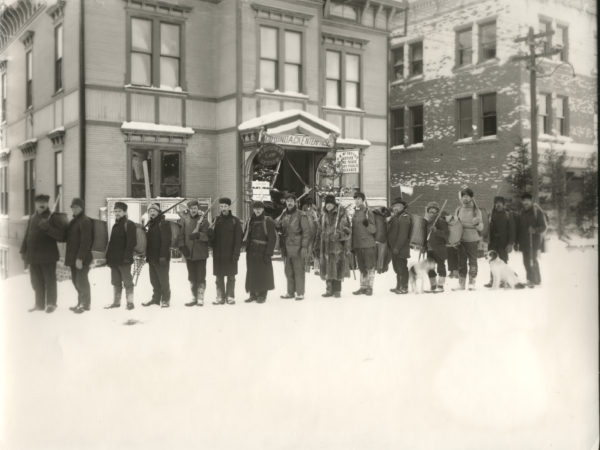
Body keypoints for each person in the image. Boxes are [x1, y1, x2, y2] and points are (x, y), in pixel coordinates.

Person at [20, 194, 61, 313]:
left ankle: (51, 304)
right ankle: (39, 304)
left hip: (48, 256)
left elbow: (60, 236)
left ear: (47, 204)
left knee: (49, 280)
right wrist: (23, 250)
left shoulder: (53, 217)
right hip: (33, 255)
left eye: (44, 202)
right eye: (39, 203)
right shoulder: (33, 217)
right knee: (36, 282)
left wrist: (48, 228)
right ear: (35, 204)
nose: (41, 205)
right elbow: (27, 235)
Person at [276, 193, 311, 301]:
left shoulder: (301, 214)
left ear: (295, 202)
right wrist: (277, 225)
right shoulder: (284, 214)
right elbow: (279, 226)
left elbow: (306, 232)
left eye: (291, 201)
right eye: (287, 201)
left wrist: (304, 247)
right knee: (288, 270)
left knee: (298, 270)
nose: (289, 203)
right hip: (286, 246)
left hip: (297, 246)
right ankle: (290, 292)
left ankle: (300, 293)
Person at [210, 197, 243, 305]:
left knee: (231, 276)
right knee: (219, 277)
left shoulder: (235, 221)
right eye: (221, 206)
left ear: (229, 207)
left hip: (230, 253)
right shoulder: (216, 220)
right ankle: (220, 297)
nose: (223, 208)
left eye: (225, 206)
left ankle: (230, 296)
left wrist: (236, 254)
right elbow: (211, 238)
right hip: (218, 254)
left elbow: (238, 239)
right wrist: (210, 232)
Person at [318, 195, 351, 298]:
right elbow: (319, 229)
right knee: (327, 268)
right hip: (325, 246)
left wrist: (339, 235)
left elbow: (348, 231)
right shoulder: (323, 215)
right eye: (326, 203)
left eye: (330, 203)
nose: (328, 205)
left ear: (334, 204)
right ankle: (329, 290)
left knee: (337, 267)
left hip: (337, 247)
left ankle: (337, 290)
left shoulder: (341, 214)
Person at [178, 200, 210, 306]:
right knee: (191, 277)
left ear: (198, 209)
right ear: (189, 209)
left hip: (200, 254)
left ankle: (200, 298)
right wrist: (182, 247)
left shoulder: (204, 221)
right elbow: (181, 235)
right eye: (191, 209)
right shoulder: (185, 221)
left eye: (195, 208)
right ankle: (194, 297)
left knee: (201, 277)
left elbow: (208, 237)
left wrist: (198, 235)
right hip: (189, 254)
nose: (193, 210)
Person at [105, 202, 136, 310]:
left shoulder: (129, 224)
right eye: (116, 211)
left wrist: (127, 257)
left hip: (124, 260)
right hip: (114, 260)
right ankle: (116, 302)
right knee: (116, 281)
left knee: (127, 282)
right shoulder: (115, 225)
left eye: (119, 211)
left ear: (125, 212)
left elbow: (131, 242)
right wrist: (108, 257)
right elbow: (112, 243)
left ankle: (130, 302)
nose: (117, 213)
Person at [244, 201, 277, 303]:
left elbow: (273, 238)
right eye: (255, 208)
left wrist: (269, 253)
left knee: (263, 273)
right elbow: (246, 234)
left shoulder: (268, 221)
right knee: (252, 272)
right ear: (253, 209)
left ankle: (262, 295)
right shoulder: (250, 220)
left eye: (259, 208)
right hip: (252, 251)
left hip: (263, 251)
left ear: (263, 209)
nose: (257, 210)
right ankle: (252, 294)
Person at [65, 198, 93, 313]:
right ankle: (80, 302)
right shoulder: (74, 221)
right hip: (73, 258)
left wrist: (80, 258)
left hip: (82, 258)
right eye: (73, 207)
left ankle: (85, 304)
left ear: (81, 208)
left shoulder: (85, 221)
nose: (74, 209)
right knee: (75, 281)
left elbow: (86, 241)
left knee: (81, 280)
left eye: (76, 207)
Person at [142, 203, 172, 308]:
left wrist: (163, 256)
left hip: (161, 258)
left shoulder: (163, 223)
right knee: (154, 280)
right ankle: (156, 299)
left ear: (158, 212)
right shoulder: (151, 224)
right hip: (152, 258)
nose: (152, 213)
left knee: (163, 280)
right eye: (150, 211)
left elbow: (166, 241)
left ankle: (165, 300)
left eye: (154, 211)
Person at [454, 188, 483, 290]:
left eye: (467, 196)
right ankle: (461, 284)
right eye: (463, 196)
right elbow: (455, 225)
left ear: (471, 197)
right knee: (461, 262)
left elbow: (481, 228)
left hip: (472, 240)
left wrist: (477, 223)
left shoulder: (476, 210)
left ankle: (471, 283)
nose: (465, 198)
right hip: (460, 240)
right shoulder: (458, 210)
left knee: (473, 262)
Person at [515, 193, 547, 287]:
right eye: (524, 200)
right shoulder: (521, 213)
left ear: (531, 201)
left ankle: (535, 279)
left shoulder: (537, 212)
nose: (526, 202)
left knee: (532, 260)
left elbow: (543, 227)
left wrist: (534, 230)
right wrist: (517, 242)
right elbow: (519, 228)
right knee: (526, 261)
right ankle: (530, 279)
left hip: (533, 241)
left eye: (527, 200)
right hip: (524, 242)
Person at [485, 196, 516, 288]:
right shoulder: (491, 215)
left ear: (503, 204)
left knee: (503, 261)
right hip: (493, 243)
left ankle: (503, 281)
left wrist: (510, 243)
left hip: (503, 243)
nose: (498, 204)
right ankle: (492, 280)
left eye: (500, 203)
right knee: (492, 262)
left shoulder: (508, 215)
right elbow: (487, 228)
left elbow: (512, 230)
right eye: (496, 203)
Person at [351, 192, 377, 296]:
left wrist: (367, 225)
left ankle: (369, 287)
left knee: (369, 266)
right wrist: (353, 245)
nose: (356, 201)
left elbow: (374, 229)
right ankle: (362, 287)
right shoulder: (355, 213)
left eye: (358, 199)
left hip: (368, 244)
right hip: (358, 244)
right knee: (361, 267)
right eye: (355, 199)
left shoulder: (368, 212)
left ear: (363, 200)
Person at [387, 198, 412, 294]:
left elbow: (403, 235)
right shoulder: (396, 217)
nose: (395, 208)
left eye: (397, 206)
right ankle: (398, 286)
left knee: (402, 268)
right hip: (394, 248)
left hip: (401, 248)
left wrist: (397, 247)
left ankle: (404, 287)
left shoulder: (404, 217)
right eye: (394, 206)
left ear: (402, 206)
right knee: (397, 268)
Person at [424, 202, 449, 292]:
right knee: (430, 268)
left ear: (437, 212)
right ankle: (433, 285)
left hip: (439, 249)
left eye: (434, 212)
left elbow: (446, 235)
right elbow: (424, 236)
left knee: (441, 267)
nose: (432, 214)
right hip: (429, 249)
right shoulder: (427, 222)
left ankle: (441, 286)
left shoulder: (441, 222)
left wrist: (436, 231)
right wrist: (423, 246)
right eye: (430, 211)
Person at [372, 206, 391, 274]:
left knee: (378, 255)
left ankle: (377, 268)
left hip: (376, 238)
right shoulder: (380, 218)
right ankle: (379, 269)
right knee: (381, 255)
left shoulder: (375, 215)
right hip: (382, 239)